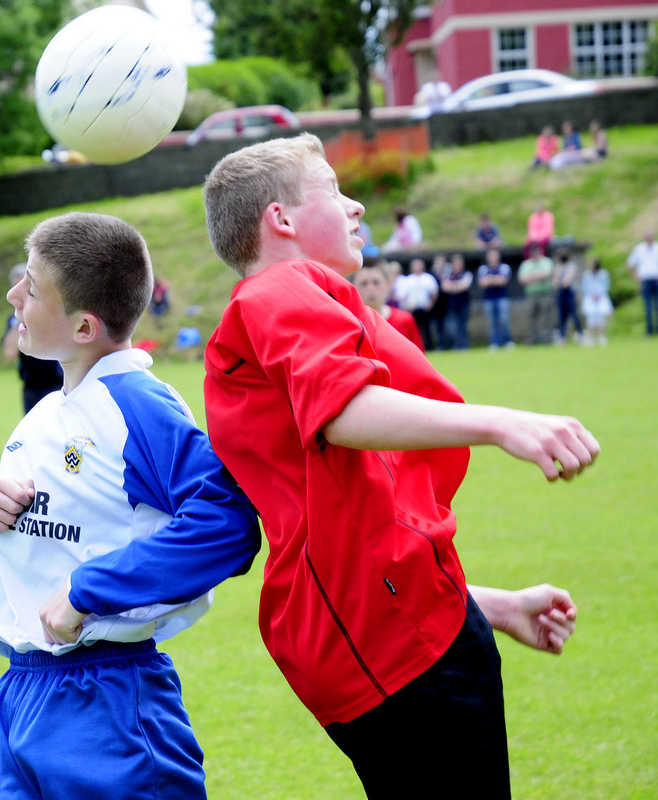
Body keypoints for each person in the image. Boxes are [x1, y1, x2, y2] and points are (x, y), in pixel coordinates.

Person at [201, 133, 597, 798]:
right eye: (331, 189)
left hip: (412, 629)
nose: (355, 206)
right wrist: (504, 423)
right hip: (396, 654)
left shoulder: (307, 301)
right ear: (282, 220)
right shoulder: (278, 289)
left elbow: (351, 530)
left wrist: (486, 607)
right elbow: (341, 410)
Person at [0, 211, 260, 800]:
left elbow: (228, 525)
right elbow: (33, 549)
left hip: (111, 701)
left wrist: (88, 590)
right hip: (18, 697)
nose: (12, 294)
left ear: (83, 328)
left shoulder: (139, 404)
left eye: (31, 284)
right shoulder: (47, 412)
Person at [2, 263, 63, 413]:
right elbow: (9, 353)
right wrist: (20, 320)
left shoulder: (53, 314)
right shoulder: (14, 321)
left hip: (58, 383)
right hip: (31, 385)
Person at [352, 259, 424, 352]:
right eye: (364, 283)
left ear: (388, 284)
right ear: (353, 286)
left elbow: (419, 360)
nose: (371, 288)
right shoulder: (350, 323)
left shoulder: (405, 320)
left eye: (376, 282)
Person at [477, 247, 515, 350]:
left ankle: (507, 341)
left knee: (504, 320)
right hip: (489, 299)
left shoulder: (504, 267)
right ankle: (494, 342)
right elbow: (482, 283)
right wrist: (495, 280)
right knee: (492, 322)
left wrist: (489, 280)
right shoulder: (483, 269)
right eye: (490, 255)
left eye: (494, 255)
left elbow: (503, 281)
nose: (492, 258)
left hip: (502, 298)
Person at [519, 243, 556, 345]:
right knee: (531, 317)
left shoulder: (547, 261)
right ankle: (533, 338)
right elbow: (522, 279)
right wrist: (539, 276)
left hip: (545, 293)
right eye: (533, 252)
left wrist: (532, 276)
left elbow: (547, 274)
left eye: (536, 252)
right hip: (531, 294)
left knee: (547, 316)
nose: (535, 254)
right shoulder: (526, 264)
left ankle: (548, 339)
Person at [399, 257, 438, 350]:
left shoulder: (428, 278)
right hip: (413, 308)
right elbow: (404, 294)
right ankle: (416, 348)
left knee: (427, 328)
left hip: (425, 308)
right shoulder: (408, 279)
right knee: (415, 330)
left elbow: (435, 292)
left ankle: (429, 347)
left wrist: (431, 304)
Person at [626, 230, 658, 335]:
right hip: (645, 280)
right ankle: (649, 330)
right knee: (648, 306)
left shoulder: (656, 248)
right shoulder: (639, 249)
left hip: (656, 279)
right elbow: (630, 263)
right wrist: (635, 276)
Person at [442, 253, 473, 349]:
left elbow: (464, 286)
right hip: (452, 305)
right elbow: (445, 287)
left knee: (462, 326)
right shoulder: (448, 275)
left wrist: (452, 286)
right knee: (451, 327)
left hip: (463, 304)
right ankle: (456, 344)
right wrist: (458, 285)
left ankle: (463, 345)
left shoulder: (467, 274)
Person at [552, 249, 584, 345]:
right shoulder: (558, 267)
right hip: (561, 294)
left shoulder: (571, 266)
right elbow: (554, 284)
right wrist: (559, 279)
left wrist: (560, 281)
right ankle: (562, 337)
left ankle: (581, 335)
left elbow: (566, 282)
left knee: (574, 315)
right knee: (562, 317)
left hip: (570, 294)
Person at [580, 258, 613, 346]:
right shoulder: (587, 274)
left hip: (601, 297)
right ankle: (591, 337)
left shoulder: (604, 274)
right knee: (591, 318)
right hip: (590, 297)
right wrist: (592, 294)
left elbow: (606, 285)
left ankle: (602, 336)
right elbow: (584, 287)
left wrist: (599, 294)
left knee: (601, 317)